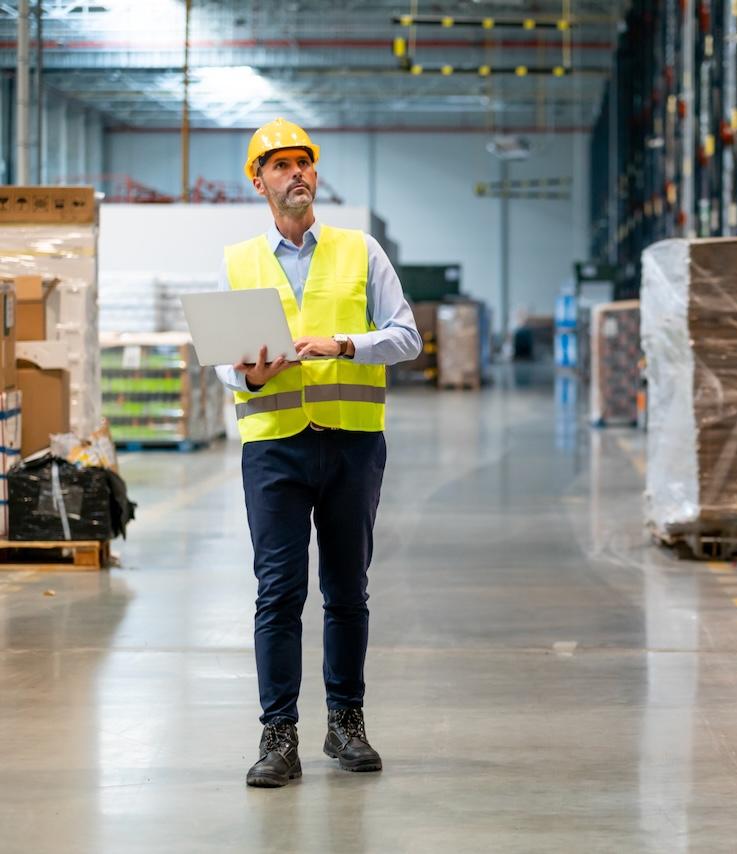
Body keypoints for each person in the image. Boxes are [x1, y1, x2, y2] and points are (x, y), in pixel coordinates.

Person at [214, 118, 422, 788]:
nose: (295, 174)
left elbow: (407, 337)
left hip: (352, 445)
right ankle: (279, 736)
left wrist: (344, 344)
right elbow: (224, 360)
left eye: (303, 163)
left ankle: (346, 723)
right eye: (280, 166)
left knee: (346, 590)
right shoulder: (240, 261)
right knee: (277, 592)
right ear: (259, 180)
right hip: (274, 449)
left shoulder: (361, 252)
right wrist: (248, 375)